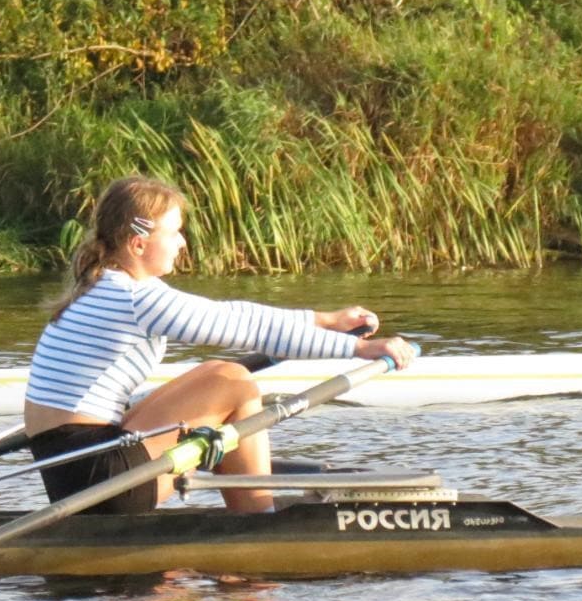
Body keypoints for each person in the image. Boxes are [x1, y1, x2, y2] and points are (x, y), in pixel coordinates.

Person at [23, 176, 414, 515]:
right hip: (101, 482)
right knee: (234, 380)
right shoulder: (134, 299)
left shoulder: (103, 287)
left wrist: (325, 320)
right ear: (139, 244)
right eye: (173, 231)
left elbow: (235, 313)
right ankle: (258, 519)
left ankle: (250, 500)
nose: (182, 242)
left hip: (75, 475)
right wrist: (359, 349)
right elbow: (244, 326)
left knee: (216, 374)